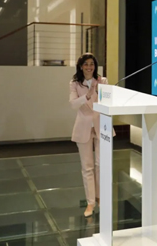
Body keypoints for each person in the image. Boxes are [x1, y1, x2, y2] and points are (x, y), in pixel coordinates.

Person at [69, 53, 109, 217]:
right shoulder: (74, 83)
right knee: (87, 167)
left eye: (92, 64)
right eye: (86, 64)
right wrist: (87, 95)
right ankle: (90, 202)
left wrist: (98, 91)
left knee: (101, 165)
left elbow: (107, 101)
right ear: (80, 66)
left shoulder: (102, 81)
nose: (89, 67)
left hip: (101, 125)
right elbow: (73, 104)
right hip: (83, 127)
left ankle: (101, 198)